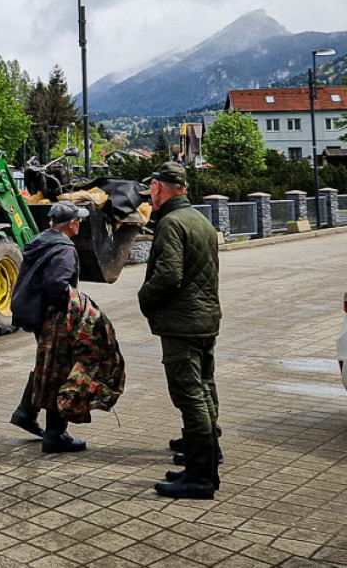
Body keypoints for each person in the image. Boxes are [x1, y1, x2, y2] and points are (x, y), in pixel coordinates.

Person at [138, 161, 222, 500]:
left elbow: (169, 275)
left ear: (157, 187)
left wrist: (144, 297)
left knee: (189, 394)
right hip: (205, 319)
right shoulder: (199, 219)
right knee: (203, 388)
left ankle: (200, 477)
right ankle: (206, 460)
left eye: (151, 188)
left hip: (182, 323)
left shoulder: (171, 223)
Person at [9, 200, 89, 454]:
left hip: (38, 314)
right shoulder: (64, 249)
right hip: (54, 317)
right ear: (73, 224)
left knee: (47, 363)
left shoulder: (41, 240)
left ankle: (26, 412)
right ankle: (56, 435)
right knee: (59, 370)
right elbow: (57, 286)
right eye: (79, 221)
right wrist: (78, 308)